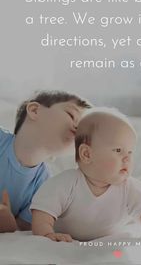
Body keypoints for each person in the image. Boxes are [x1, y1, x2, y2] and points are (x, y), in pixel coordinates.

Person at [31, 108, 141, 242]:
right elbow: (43, 211)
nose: (127, 158)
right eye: (118, 150)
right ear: (87, 154)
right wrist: (47, 233)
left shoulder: (129, 188)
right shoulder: (67, 184)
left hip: (107, 241)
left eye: (130, 152)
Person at [0, 90, 91, 232]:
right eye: (71, 115)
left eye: (82, 128)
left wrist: (8, 224)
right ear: (35, 110)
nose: (77, 128)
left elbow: (22, 227)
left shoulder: (46, 186)